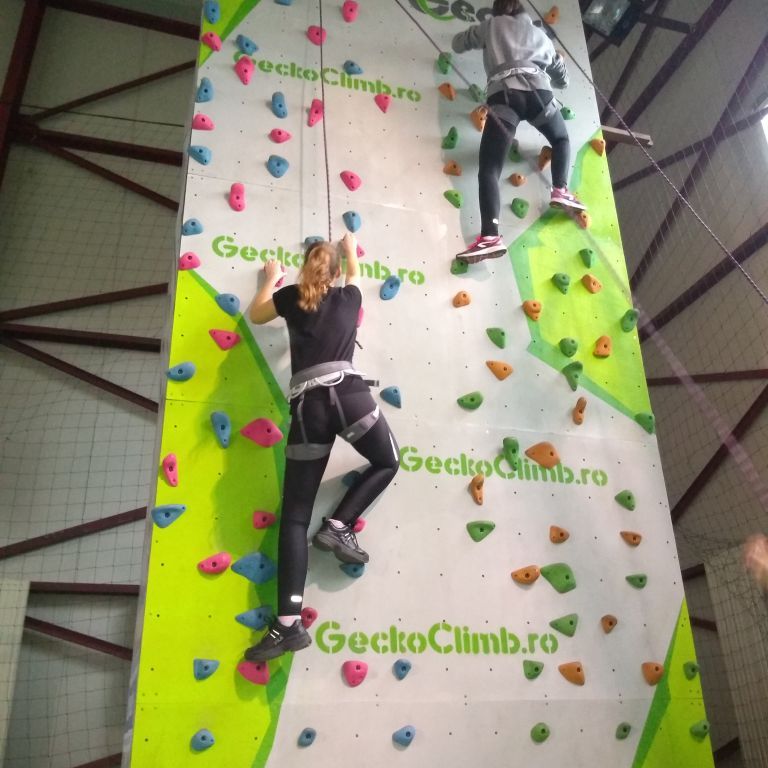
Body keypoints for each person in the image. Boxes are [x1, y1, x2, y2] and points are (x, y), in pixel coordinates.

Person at [244, 233, 400, 661]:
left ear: (305, 269)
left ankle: (287, 624)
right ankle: (339, 525)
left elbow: (257, 314)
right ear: (335, 272)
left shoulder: (291, 297)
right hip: (349, 397)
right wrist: (349, 250)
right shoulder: (349, 297)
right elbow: (356, 274)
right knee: (388, 461)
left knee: (295, 518)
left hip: (307, 409)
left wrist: (271, 279)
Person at [451, 0, 586, 264]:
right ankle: (560, 188)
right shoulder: (542, 36)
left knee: (490, 169)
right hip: (540, 96)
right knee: (560, 139)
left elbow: (458, 43)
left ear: (497, 10)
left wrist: (482, 39)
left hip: (505, 98)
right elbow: (563, 79)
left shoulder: (491, 25)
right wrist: (557, 62)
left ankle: (490, 236)